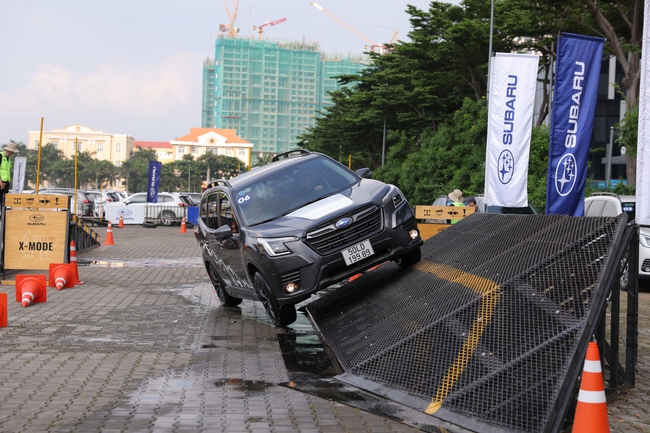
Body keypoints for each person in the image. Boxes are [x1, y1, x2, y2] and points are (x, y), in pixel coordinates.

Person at [1, 143, 19, 207]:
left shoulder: (8, 159)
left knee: (4, 201)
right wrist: (0, 182)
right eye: (12, 152)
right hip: (1, 182)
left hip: (6, 182)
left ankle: (3, 216)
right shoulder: (0, 156)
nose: (13, 153)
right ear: (9, 150)